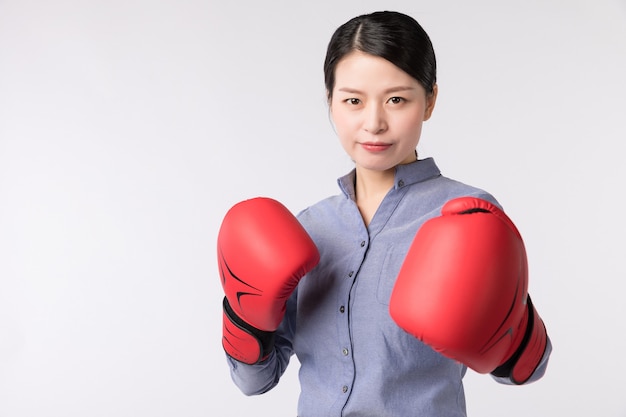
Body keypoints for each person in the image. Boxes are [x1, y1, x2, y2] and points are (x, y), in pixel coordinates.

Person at [217, 10, 552, 417]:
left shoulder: (465, 217)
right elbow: (255, 382)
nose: (373, 123)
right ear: (330, 103)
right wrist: (243, 315)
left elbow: (527, 369)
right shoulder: (307, 227)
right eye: (353, 101)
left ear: (429, 101)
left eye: (396, 99)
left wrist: (509, 338)